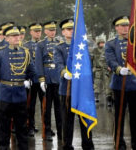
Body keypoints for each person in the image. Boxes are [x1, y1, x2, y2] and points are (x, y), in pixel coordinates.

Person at [0, 26, 36, 150]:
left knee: (22, 128)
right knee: (4, 128)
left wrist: (26, 79)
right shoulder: (0, 52)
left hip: (20, 94)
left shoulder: (25, 52)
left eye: (17, 35)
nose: (16, 38)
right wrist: (2, 80)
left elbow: (32, 71)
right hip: (5, 94)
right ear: (7, 38)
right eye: (13, 36)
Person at [54, 18, 94, 150]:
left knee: (85, 119)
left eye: (73, 29)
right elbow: (58, 63)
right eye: (69, 29)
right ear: (63, 31)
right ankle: (67, 145)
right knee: (67, 121)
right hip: (67, 89)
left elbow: (89, 64)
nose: (71, 31)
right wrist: (64, 72)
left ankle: (88, 145)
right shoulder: (59, 48)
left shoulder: (82, 46)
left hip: (82, 89)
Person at [105, 16, 136, 150]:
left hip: (133, 84)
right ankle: (119, 143)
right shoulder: (110, 44)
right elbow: (110, 60)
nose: (125, 28)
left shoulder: (135, 42)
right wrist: (119, 69)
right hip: (119, 84)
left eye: (127, 25)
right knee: (119, 115)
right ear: (116, 27)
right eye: (122, 25)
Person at [35, 21, 62, 141]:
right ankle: (47, 131)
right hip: (46, 78)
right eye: (50, 30)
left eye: (54, 30)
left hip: (58, 78)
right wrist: (41, 79)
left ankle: (61, 131)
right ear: (45, 31)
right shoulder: (41, 45)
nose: (52, 32)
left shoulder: (59, 43)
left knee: (59, 107)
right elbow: (38, 63)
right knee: (46, 107)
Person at [23, 22, 43, 137]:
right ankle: (30, 126)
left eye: (39, 31)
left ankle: (46, 127)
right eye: (36, 31)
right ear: (31, 32)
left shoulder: (44, 44)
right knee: (30, 105)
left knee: (45, 105)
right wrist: (26, 77)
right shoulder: (26, 46)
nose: (38, 33)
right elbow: (25, 64)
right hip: (31, 79)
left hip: (42, 79)